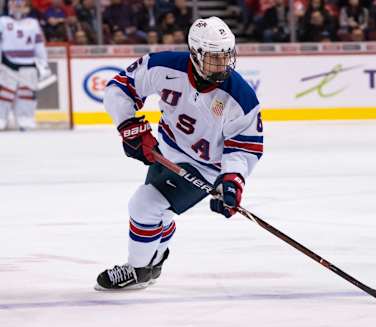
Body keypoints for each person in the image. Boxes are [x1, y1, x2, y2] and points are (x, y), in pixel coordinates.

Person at [95, 16, 263, 291]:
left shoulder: (240, 96)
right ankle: (155, 258)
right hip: (168, 149)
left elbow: (245, 146)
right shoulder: (163, 66)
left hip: (206, 167)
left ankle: (139, 271)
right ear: (195, 54)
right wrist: (130, 126)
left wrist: (231, 180)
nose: (222, 64)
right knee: (158, 213)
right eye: (213, 58)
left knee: (144, 205)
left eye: (226, 56)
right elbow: (119, 88)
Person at [0, 0, 52, 131]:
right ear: (9, 5)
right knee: (5, 93)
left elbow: (39, 44)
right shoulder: (2, 21)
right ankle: (1, 118)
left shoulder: (33, 23)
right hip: (8, 62)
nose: (18, 5)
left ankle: (25, 119)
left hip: (29, 63)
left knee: (27, 94)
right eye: (14, 2)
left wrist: (43, 62)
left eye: (21, 2)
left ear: (26, 5)